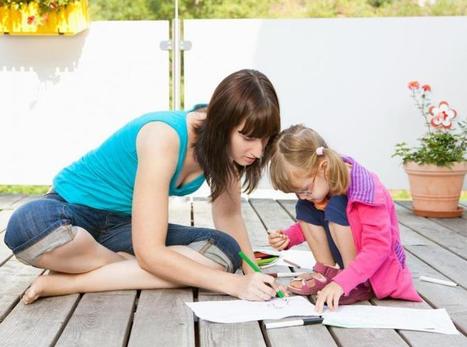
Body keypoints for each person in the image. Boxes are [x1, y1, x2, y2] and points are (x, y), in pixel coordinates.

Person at [4, 69, 282, 304]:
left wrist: (252, 274)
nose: (258, 152)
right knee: (27, 225)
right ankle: (120, 267)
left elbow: (229, 216)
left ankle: (65, 283)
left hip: (122, 227)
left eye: (266, 140)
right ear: (222, 124)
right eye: (248, 137)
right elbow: (149, 252)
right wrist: (233, 285)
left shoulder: (228, 153)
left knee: (224, 249)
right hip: (71, 214)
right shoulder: (164, 136)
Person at [268, 124, 421, 313]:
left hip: (374, 271)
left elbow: (378, 246)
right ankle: (327, 273)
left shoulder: (367, 189)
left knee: (336, 206)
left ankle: (354, 283)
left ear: (323, 167)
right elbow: (318, 218)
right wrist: (290, 236)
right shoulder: (322, 185)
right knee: (306, 207)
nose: (302, 195)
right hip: (349, 261)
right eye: (297, 192)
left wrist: (344, 283)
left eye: (305, 189)